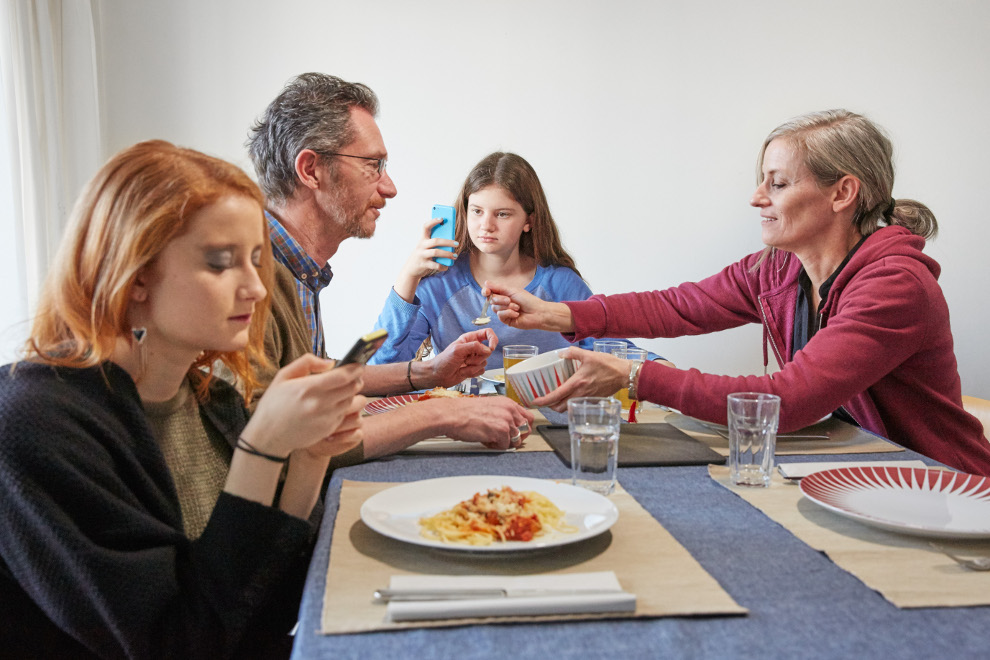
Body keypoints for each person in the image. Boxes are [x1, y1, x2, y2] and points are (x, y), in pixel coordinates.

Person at [0, 140, 367, 658]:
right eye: (221, 263)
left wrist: (310, 457)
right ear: (137, 274)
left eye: (256, 261)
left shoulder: (211, 400)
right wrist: (260, 449)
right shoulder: (36, 424)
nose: (257, 289)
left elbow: (268, 605)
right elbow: (173, 643)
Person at [488, 109, 990, 476]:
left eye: (777, 183)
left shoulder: (894, 286)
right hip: (864, 468)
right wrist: (557, 313)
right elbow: (677, 306)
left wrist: (636, 377)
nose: (756, 198)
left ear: (842, 193)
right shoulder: (777, 268)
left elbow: (785, 401)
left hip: (941, 486)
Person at [245, 73, 533, 452]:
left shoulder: (297, 270)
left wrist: (428, 372)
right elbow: (273, 441)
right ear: (311, 170)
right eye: (373, 164)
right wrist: (443, 414)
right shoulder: (250, 279)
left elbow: (312, 379)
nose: (389, 187)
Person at [370, 151, 662, 370]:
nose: (486, 225)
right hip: (463, 422)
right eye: (477, 211)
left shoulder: (559, 284)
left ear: (528, 221)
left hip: (544, 423)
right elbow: (384, 370)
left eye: (503, 214)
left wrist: (661, 372)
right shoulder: (438, 285)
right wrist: (407, 278)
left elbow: (609, 347)